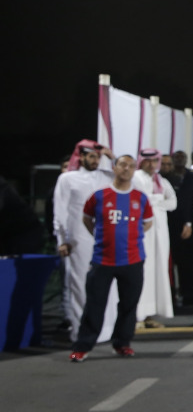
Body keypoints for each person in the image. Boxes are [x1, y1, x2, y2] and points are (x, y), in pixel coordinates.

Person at [69, 154, 154, 362]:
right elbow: (87, 220)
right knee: (94, 304)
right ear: (114, 168)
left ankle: (122, 343)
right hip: (102, 260)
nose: (127, 169)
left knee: (128, 305)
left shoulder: (140, 198)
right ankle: (83, 346)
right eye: (123, 165)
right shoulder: (99, 196)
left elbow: (148, 222)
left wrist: (131, 235)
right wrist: (102, 237)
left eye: (131, 166)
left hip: (133, 260)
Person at [52, 140, 116, 341]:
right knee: (79, 284)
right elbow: (60, 211)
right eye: (91, 156)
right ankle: (81, 331)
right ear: (80, 157)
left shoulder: (106, 177)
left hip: (104, 238)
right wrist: (62, 240)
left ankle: (106, 330)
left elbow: (127, 178)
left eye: (97, 156)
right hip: (77, 239)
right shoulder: (67, 179)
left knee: (107, 285)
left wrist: (111, 157)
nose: (95, 160)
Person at [132, 148, 178, 327]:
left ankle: (150, 314)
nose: (151, 165)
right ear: (141, 161)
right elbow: (138, 200)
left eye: (154, 161)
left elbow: (173, 203)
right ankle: (138, 315)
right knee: (144, 270)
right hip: (142, 231)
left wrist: (156, 202)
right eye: (148, 161)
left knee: (158, 269)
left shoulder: (161, 180)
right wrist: (155, 201)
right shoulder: (135, 178)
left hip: (160, 231)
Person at [167, 150, 193, 305]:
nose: (179, 160)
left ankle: (189, 292)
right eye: (176, 158)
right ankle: (179, 294)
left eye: (182, 157)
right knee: (179, 261)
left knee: (190, 261)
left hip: (191, 226)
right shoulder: (167, 178)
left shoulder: (192, 176)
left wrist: (189, 223)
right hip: (174, 226)